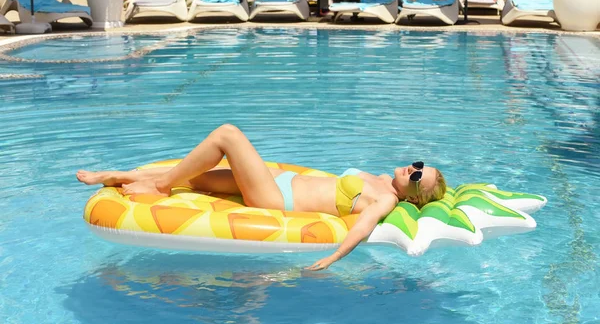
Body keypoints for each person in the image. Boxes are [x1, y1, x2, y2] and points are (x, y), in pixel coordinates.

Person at [77, 124, 447, 270]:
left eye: (417, 176)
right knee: (196, 179)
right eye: (417, 164)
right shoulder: (382, 178)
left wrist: (332, 257)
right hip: (278, 180)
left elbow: (363, 226)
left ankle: (156, 185)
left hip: (274, 199)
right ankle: (123, 175)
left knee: (227, 135)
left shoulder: (387, 201)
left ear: (414, 196)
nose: (411, 169)